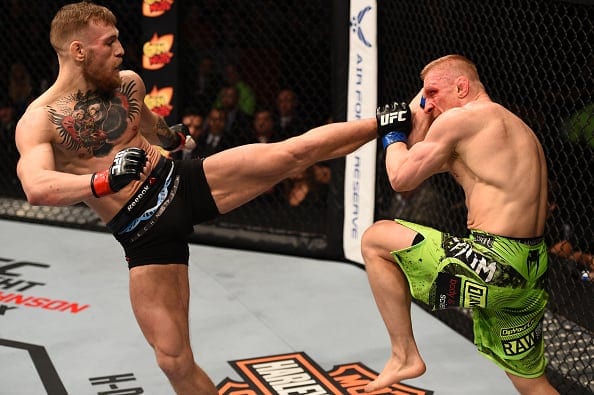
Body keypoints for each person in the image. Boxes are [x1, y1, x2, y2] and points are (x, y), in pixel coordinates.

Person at [14, 3, 379, 394]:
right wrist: (105, 181)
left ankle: (389, 121)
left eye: (119, 38)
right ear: (78, 50)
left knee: (288, 155)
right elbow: (37, 187)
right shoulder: (39, 119)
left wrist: (173, 139)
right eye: (110, 42)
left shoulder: (128, 83)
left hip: (181, 181)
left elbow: (149, 124)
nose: (121, 49)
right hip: (143, 231)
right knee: (173, 360)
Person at [361, 55, 559, 394]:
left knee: (375, 238)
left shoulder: (462, 120)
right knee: (532, 384)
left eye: (433, 93)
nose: (428, 104)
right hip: (530, 268)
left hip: (494, 260)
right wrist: (420, 117)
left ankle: (403, 354)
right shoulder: (515, 128)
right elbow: (421, 159)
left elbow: (401, 177)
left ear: (461, 86)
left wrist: (392, 134)